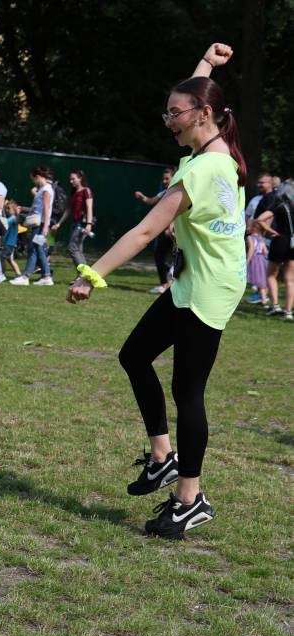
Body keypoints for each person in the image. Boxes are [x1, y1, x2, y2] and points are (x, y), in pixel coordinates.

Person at [67, 43, 246, 539]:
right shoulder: (212, 152)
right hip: (194, 279)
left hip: (210, 287)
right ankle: (163, 458)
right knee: (134, 355)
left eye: (175, 113)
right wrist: (206, 64)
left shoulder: (204, 168)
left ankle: (190, 499)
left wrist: (91, 275)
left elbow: (146, 231)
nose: (168, 120)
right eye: (167, 112)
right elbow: (195, 94)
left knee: (188, 391)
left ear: (203, 114)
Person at [135, 167, 178, 294]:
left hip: (173, 232)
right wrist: (142, 197)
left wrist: (171, 226)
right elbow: (151, 201)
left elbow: (177, 211)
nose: (164, 181)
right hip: (165, 231)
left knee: (169, 257)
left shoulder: (177, 193)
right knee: (160, 256)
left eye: (167, 179)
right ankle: (166, 283)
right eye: (163, 179)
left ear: (174, 178)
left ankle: (167, 284)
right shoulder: (165, 192)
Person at [255, 181, 294, 319]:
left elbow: (260, 219)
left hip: (280, 240)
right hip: (293, 243)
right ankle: (288, 311)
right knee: (290, 280)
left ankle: (275, 306)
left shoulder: (279, 205)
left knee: (271, 274)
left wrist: (271, 231)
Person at [10, 166, 54, 286]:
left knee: (37, 248)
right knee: (35, 249)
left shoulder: (46, 190)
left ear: (38, 177)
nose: (33, 182)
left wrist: (45, 227)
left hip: (41, 225)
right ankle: (35, 276)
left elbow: (46, 209)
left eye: (33, 179)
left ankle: (41, 276)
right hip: (38, 224)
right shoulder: (43, 189)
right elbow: (36, 208)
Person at [52, 169, 94, 266]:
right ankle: (85, 274)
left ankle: (84, 273)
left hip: (82, 223)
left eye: (73, 179)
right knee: (78, 250)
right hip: (74, 224)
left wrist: (89, 224)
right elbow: (68, 210)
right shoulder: (74, 193)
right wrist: (59, 223)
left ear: (80, 178)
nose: (71, 181)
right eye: (70, 179)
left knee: (72, 248)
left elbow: (89, 208)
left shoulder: (86, 191)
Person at [244, 219, 269, 308]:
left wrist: (247, 261)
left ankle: (263, 300)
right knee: (262, 279)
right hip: (262, 260)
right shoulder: (261, 238)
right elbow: (265, 251)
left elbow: (251, 249)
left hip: (255, 260)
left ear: (252, 228)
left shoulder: (250, 238)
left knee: (259, 281)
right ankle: (263, 298)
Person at [1, 200, 22, 277]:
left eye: (9, 208)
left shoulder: (13, 218)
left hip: (9, 243)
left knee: (2, 258)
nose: (7, 210)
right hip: (9, 243)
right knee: (10, 259)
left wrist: (2, 208)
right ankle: (18, 274)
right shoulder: (11, 217)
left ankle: (2, 274)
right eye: (6, 208)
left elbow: (4, 223)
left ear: (14, 210)